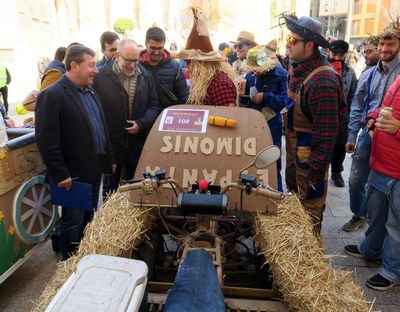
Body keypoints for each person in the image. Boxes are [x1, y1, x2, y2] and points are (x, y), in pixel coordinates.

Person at [35, 45, 114, 260]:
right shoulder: (52, 95)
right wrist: (61, 174)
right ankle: (69, 266)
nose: (95, 70)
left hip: (93, 169)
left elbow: (100, 127)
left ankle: (84, 261)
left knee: (89, 217)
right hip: (72, 176)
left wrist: (108, 160)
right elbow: (46, 140)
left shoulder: (89, 91)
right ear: (73, 66)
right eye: (90, 65)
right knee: (73, 223)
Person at [283, 14, 345, 236]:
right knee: (293, 200)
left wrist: (316, 175)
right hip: (294, 149)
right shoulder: (297, 66)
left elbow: (327, 134)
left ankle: (308, 255)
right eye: (287, 39)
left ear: (309, 45)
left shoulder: (323, 81)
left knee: (309, 209)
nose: (287, 45)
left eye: (292, 40)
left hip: (311, 158)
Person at [343, 19, 400, 232]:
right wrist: (351, 136)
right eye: (382, 45)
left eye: (391, 44)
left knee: (383, 189)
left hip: (393, 140)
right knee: (356, 180)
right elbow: (357, 106)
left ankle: (379, 232)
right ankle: (359, 214)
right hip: (367, 135)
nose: (385, 49)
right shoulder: (368, 74)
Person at [344, 74, 400, 291]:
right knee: (375, 212)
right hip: (382, 162)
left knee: (396, 225)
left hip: (396, 169)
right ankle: (371, 249)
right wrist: (373, 116)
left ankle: (392, 271)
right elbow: (387, 106)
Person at [93, 39, 161, 193]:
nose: (132, 65)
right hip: (111, 144)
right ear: (117, 55)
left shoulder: (145, 75)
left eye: (136, 61)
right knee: (110, 189)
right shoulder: (100, 77)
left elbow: (154, 104)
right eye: (128, 61)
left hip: (137, 143)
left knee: (135, 186)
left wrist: (141, 123)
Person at [240, 44, 287, 191]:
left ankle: (276, 191)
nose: (255, 73)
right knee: (253, 158)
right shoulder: (249, 76)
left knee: (273, 159)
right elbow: (244, 102)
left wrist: (266, 97)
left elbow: (285, 101)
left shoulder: (281, 74)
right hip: (254, 124)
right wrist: (241, 96)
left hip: (273, 122)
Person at [177, 8, 237, 106]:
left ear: (199, 64)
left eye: (188, 61)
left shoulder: (220, 84)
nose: (187, 65)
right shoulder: (207, 82)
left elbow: (227, 118)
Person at [328, 40, 357, 187]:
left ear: (345, 55)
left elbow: (353, 95)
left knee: (339, 148)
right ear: (328, 52)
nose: (337, 58)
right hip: (324, 117)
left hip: (342, 118)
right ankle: (321, 172)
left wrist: (348, 112)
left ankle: (336, 172)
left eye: (340, 55)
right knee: (323, 147)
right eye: (334, 54)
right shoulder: (322, 69)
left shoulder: (350, 73)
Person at [140, 27, 188, 107]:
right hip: (145, 117)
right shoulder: (137, 66)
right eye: (153, 48)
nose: (156, 52)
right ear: (146, 44)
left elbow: (183, 96)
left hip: (168, 115)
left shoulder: (174, 67)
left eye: (160, 48)